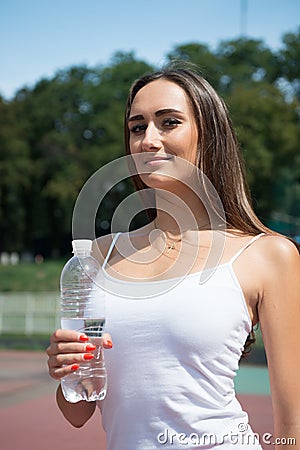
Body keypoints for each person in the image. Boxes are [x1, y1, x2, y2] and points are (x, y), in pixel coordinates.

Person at [47, 64, 300, 449]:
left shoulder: (267, 255)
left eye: (169, 123)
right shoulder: (98, 256)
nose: (149, 139)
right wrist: (67, 374)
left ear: (208, 135)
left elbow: (293, 422)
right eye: (137, 126)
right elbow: (78, 411)